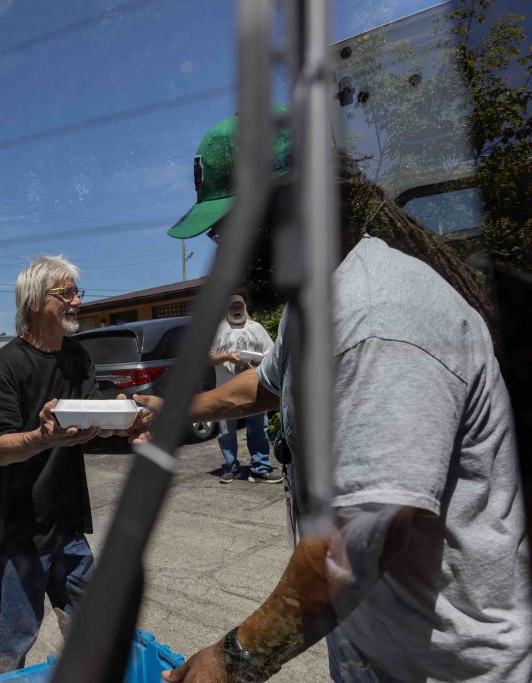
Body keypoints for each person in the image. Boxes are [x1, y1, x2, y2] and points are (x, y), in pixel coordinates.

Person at [141, 123, 530, 680]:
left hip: (449, 667)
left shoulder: (379, 321)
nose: (223, 255)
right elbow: (267, 385)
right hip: (371, 640)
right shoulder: (313, 300)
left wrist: (233, 661)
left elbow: (357, 543)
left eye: (230, 233)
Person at [0, 255, 149, 673]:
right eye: (64, 293)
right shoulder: (9, 364)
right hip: (20, 532)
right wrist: (41, 437)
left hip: (67, 525)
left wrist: (124, 419)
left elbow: (92, 413)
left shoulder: (76, 356)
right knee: (15, 636)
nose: (76, 302)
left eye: (76, 292)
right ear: (34, 302)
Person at [209, 295, 278, 483]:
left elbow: (272, 353)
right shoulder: (218, 330)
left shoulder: (256, 328)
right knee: (225, 431)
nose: (236, 310)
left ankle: (260, 468)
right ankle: (231, 468)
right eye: (233, 306)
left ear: (245, 307)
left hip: (254, 387)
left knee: (258, 428)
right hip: (225, 391)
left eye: (239, 306)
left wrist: (259, 359)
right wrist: (226, 358)